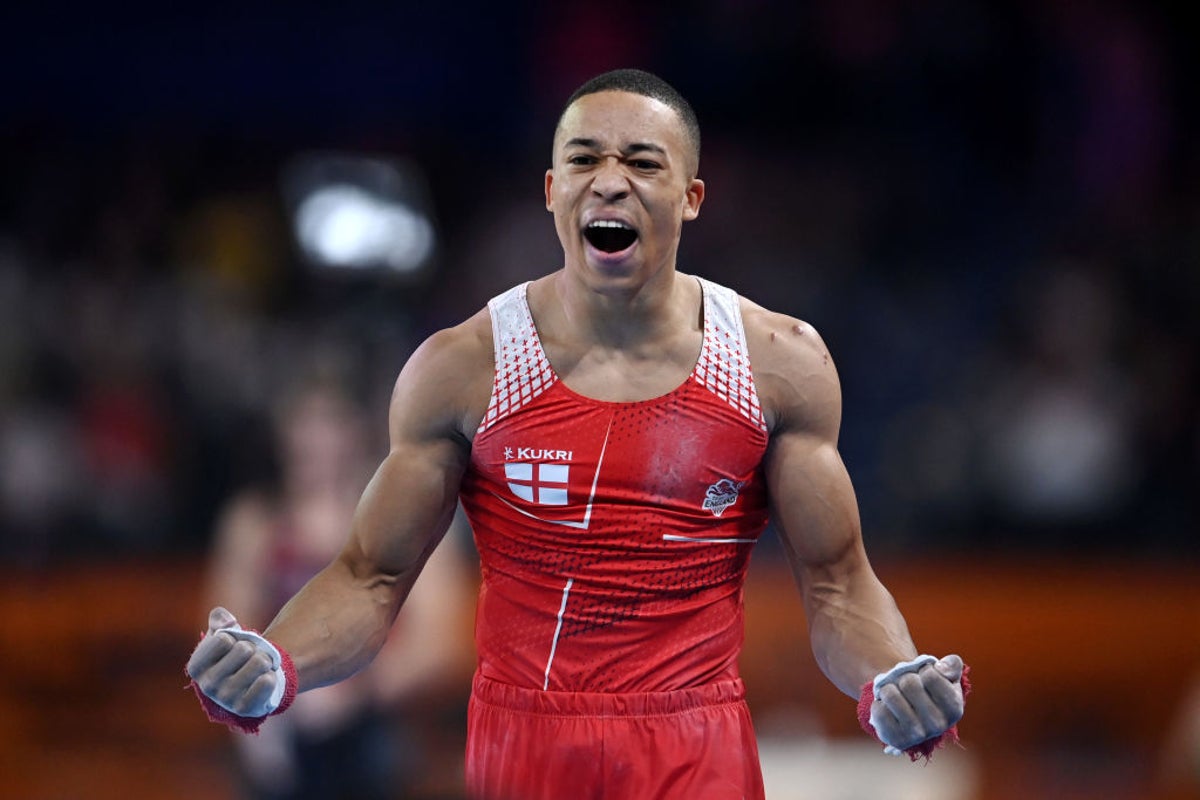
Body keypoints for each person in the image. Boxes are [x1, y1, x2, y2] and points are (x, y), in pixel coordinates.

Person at [188, 68, 969, 800]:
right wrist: (278, 660)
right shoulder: (465, 367)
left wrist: (890, 678)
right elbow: (368, 579)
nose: (610, 179)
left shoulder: (777, 365)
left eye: (643, 162)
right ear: (552, 189)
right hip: (523, 746)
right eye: (585, 157)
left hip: (695, 745)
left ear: (691, 196)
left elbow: (838, 584)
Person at [203, 375, 472, 799]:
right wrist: (269, 697)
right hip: (280, 720)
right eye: (306, 427)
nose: (319, 444)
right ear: (284, 434)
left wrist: (351, 693)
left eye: (330, 425)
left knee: (378, 752)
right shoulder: (255, 523)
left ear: (357, 432)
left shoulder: (404, 518)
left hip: (378, 719)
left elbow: (437, 643)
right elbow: (227, 632)